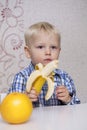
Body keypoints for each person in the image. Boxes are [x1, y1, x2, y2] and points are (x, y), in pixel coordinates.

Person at [8, 21, 80, 107]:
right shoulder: (21, 78)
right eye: (40, 47)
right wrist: (24, 99)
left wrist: (68, 99)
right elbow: (10, 107)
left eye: (53, 47)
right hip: (31, 120)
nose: (48, 52)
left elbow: (76, 108)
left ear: (59, 51)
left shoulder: (65, 78)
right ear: (28, 52)